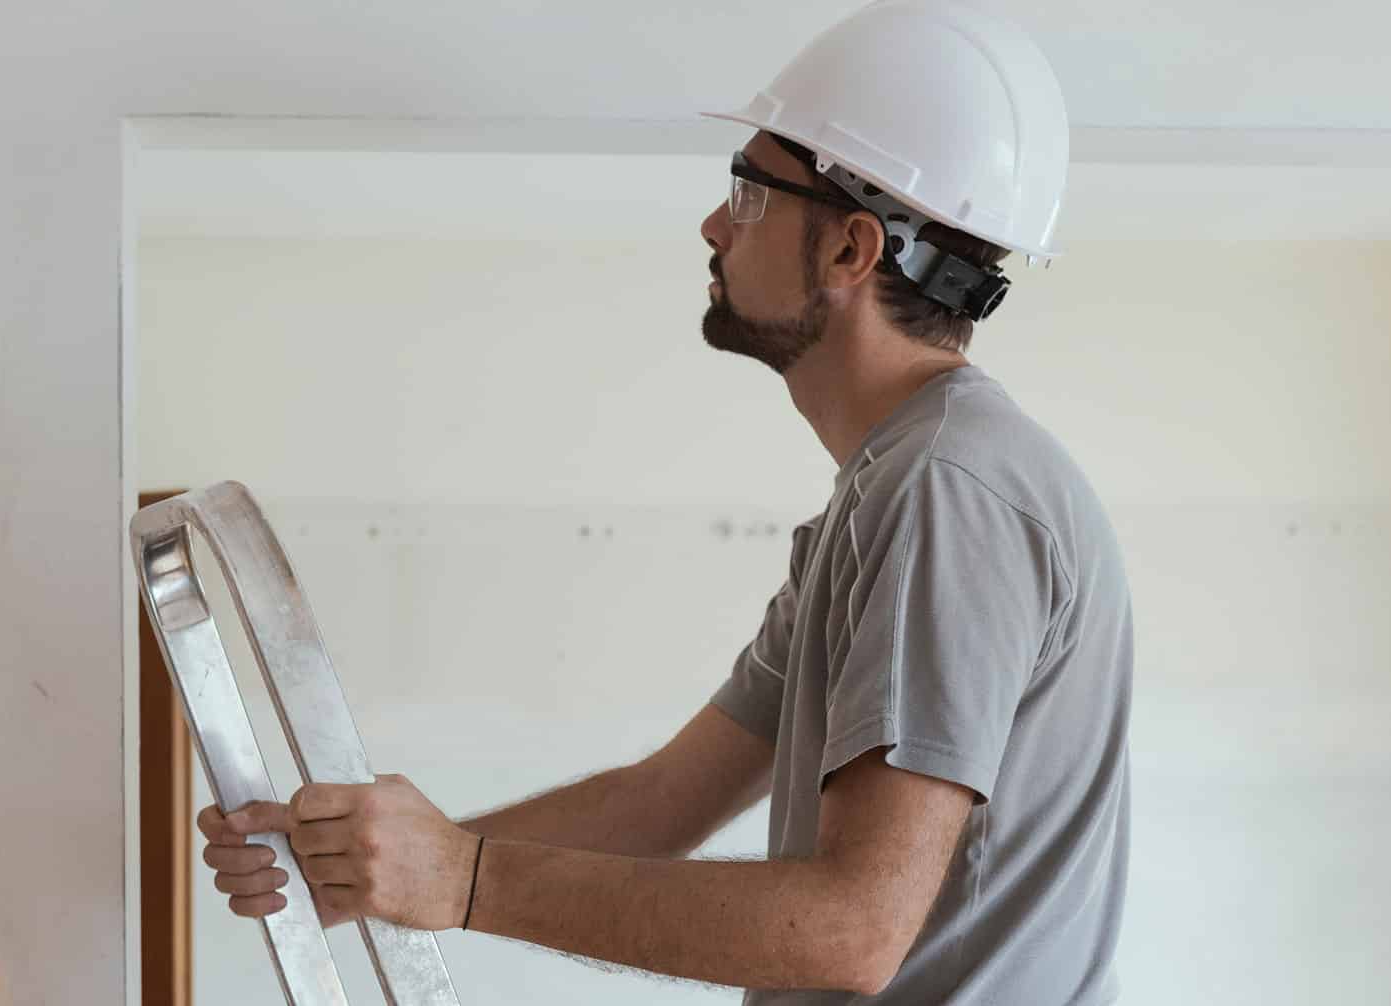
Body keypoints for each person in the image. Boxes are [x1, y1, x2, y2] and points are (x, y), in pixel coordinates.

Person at [196, 2, 1132, 1001]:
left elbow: (850, 930)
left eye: (749, 191)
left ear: (850, 252)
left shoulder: (945, 491)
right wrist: (374, 861)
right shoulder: (887, 497)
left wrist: (462, 878)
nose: (714, 223)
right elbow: (660, 801)